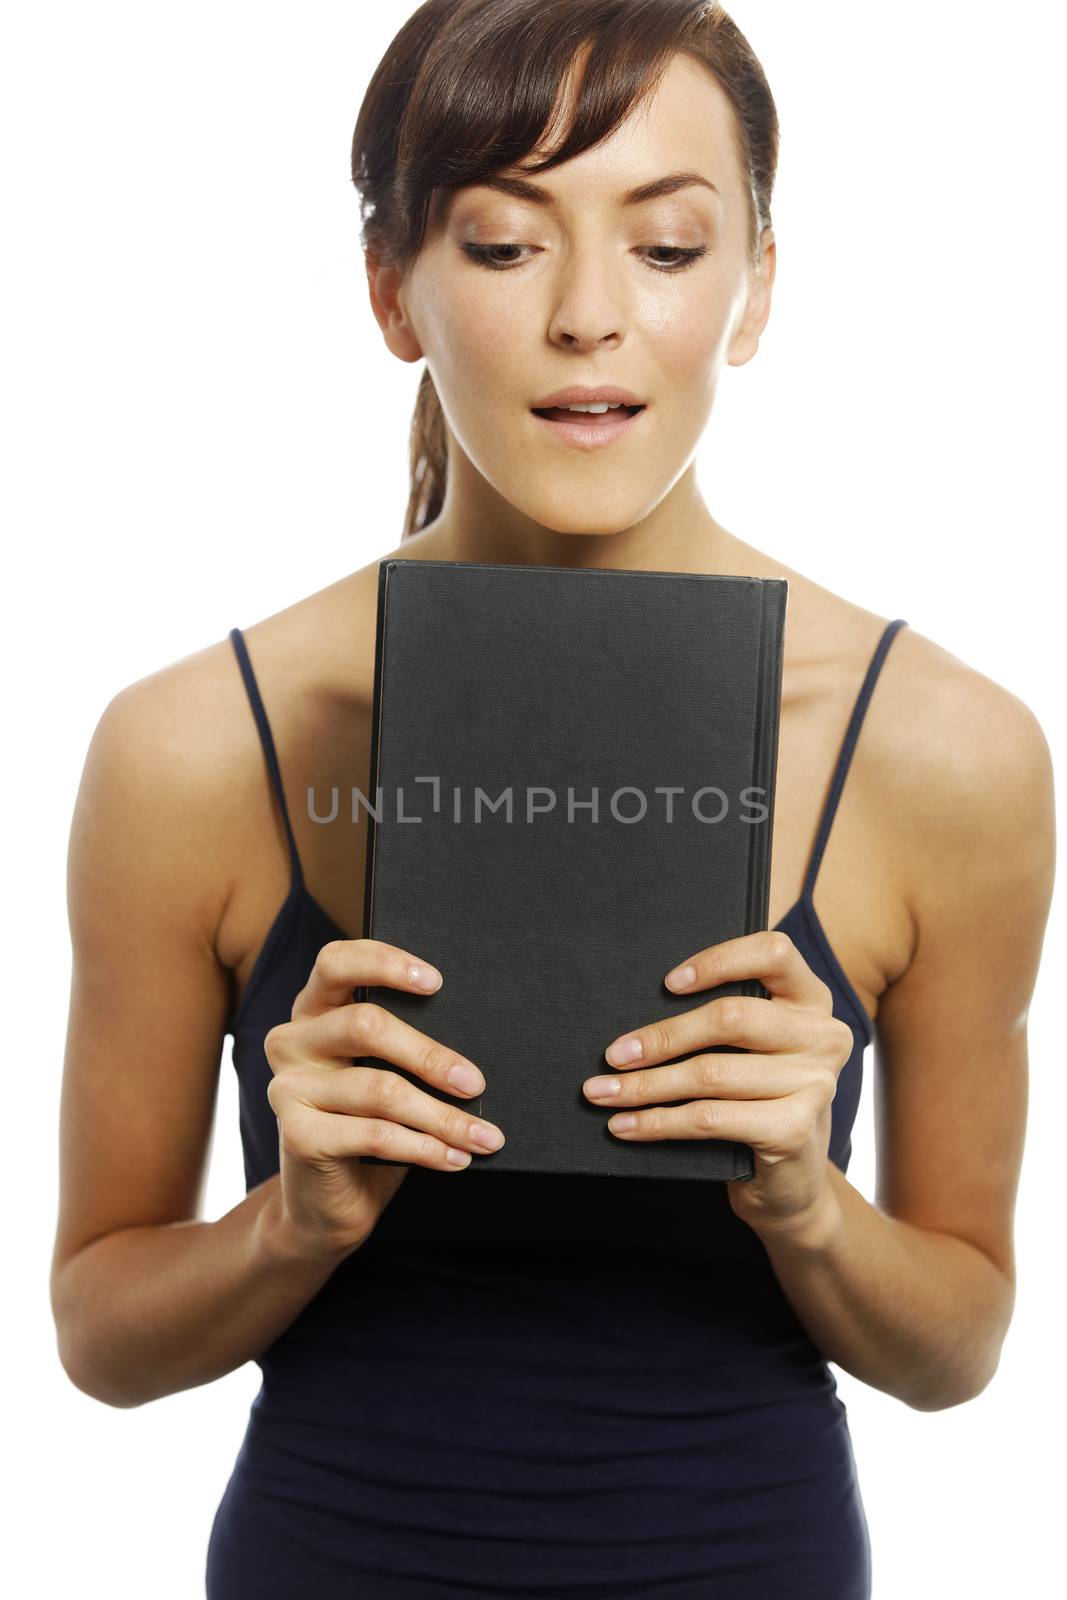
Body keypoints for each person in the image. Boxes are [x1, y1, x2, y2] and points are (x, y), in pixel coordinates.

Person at [50, 3, 1055, 1597]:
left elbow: (958, 1348)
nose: (592, 316)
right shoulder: (195, 746)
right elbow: (99, 1333)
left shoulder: (947, 752)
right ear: (393, 288)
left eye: (666, 246)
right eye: (508, 244)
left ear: (759, 285)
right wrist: (293, 1222)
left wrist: (807, 1202)